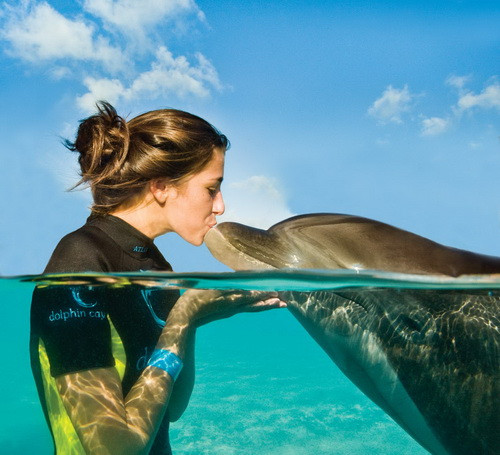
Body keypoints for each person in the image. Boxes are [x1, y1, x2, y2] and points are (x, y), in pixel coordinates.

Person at [30, 102, 284, 455]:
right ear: (162, 187)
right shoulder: (80, 258)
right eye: (212, 188)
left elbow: (173, 407)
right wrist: (183, 317)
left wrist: (193, 319)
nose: (221, 205)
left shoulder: (157, 267)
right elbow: (113, 449)